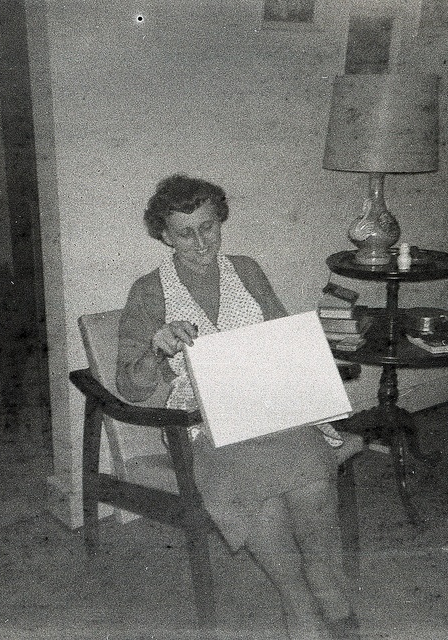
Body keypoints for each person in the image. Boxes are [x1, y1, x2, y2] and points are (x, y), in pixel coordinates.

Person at [116, 174, 359, 640]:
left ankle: (325, 581)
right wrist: (157, 349)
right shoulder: (148, 291)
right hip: (204, 423)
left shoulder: (246, 270)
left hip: (271, 408)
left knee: (312, 474)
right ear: (164, 235)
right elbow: (130, 387)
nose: (200, 242)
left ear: (220, 221)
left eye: (208, 227)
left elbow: (283, 339)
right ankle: (297, 600)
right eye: (185, 233)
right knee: (254, 494)